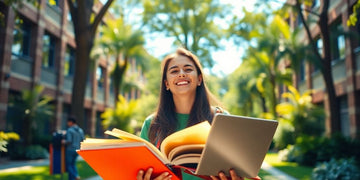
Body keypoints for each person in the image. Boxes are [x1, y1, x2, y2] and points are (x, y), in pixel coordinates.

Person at [137, 48, 260, 180]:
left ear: (199, 79)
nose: (181, 74)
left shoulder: (220, 118)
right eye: (174, 71)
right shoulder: (152, 124)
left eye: (188, 69)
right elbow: (138, 172)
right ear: (166, 84)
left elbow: (236, 169)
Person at [62, 116, 85, 180]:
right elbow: (83, 140)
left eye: (68, 122)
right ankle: (74, 177)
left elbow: (69, 141)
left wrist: (64, 141)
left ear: (71, 122)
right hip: (77, 150)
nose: (67, 124)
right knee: (73, 164)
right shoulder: (80, 130)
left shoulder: (70, 130)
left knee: (68, 165)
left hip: (70, 149)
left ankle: (76, 176)